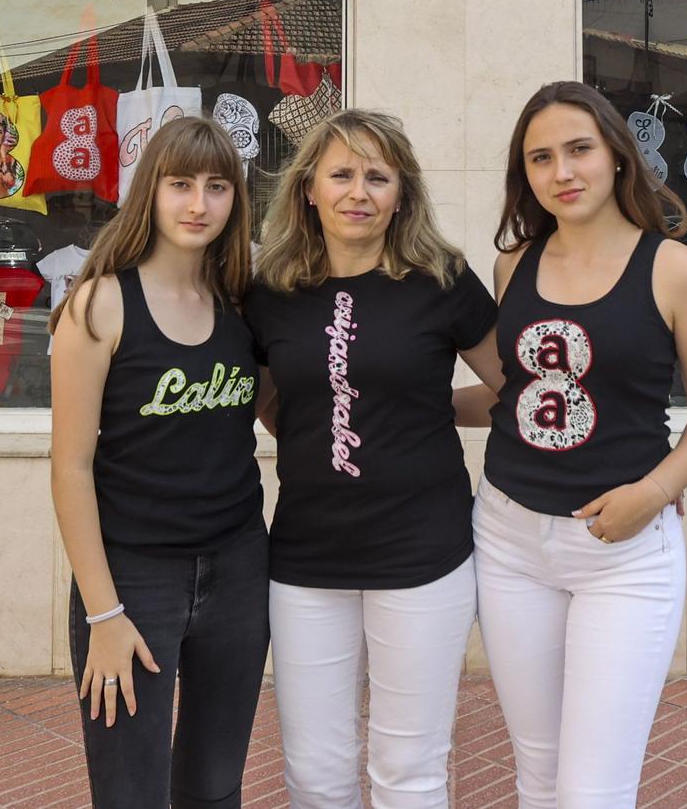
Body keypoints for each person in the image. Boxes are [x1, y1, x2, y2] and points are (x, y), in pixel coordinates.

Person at [475, 81, 687, 808]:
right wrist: (397, 401)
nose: (562, 172)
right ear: (523, 175)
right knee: (538, 774)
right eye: (540, 158)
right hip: (507, 541)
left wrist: (652, 494)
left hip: (623, 551)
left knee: (593, 791)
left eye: (579, 149)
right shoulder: (512, 266)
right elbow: (518, 395)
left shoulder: (675, 270)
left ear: (618, 156)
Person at [245, 109, 507, 809]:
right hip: (305, 561)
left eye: (377, 176)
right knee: (314, 769)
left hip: (423, 557)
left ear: (401, 193)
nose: (358, 191)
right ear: (308, 189)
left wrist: (431, 408)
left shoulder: (441, 279)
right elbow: (273, 405)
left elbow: (516, 391)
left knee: (410, 770)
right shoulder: (270, 291)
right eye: (341, 174)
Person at [49, 115, 267, 809]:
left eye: (215, 186)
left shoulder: (243, 302)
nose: (198, 204)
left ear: (236, 198)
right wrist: (103, 614)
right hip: (133, 580)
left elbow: (288, 419)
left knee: (213, 786)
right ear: (151, 192)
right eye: (180, 185)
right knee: (131, 792)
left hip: (238, 570)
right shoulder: (101, 304)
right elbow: (70, 467)